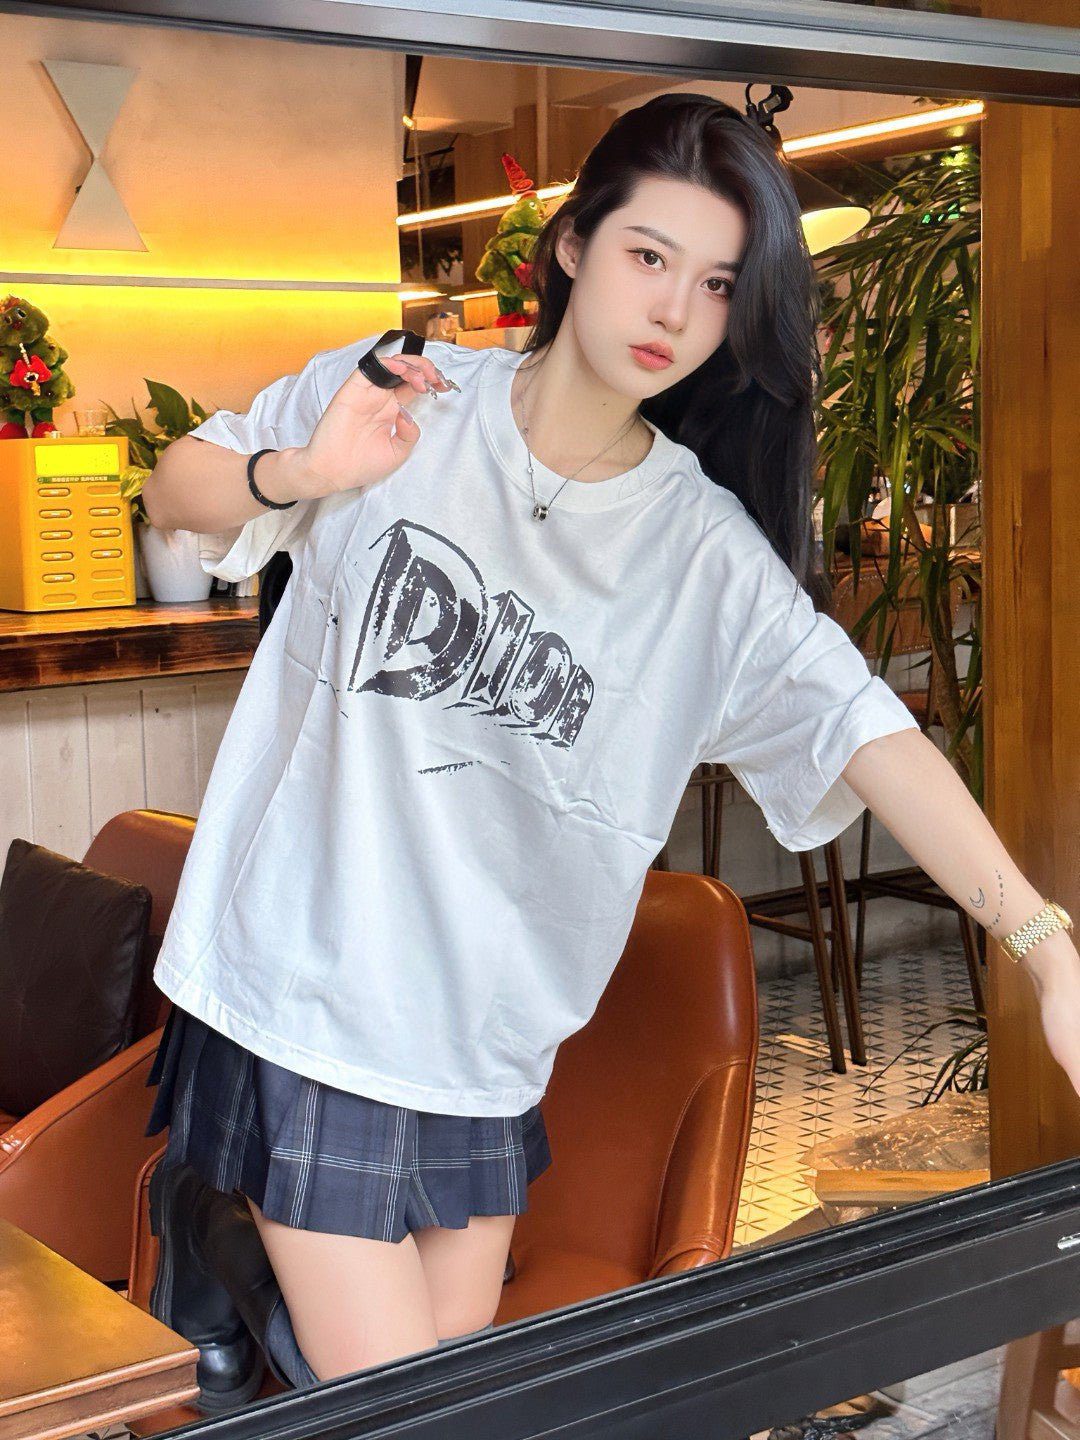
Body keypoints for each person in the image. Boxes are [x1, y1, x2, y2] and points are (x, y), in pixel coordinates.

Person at [141, 91, 1080, 1405]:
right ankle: (235, 1263)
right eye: (650, 255)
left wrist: (1043, 946)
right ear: (575, 245)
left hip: (478, 1039)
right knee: (419, 1410)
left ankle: (221, 1259)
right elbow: (174, 490)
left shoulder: (701, 554)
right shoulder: (407, 399)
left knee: (439, 1375)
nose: (673, 310)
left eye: (716, 283)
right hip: (307, 986)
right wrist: (304, 469)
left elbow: (865, 728)